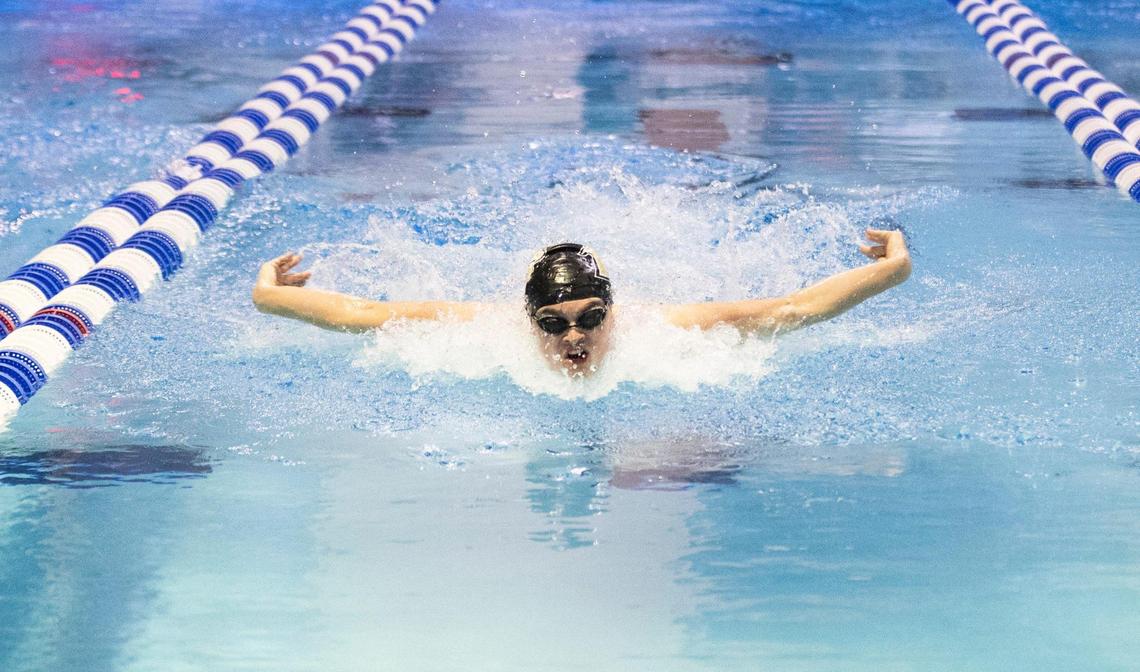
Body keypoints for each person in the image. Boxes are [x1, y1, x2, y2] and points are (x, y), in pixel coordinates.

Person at [252, 228, 911, 376]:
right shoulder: (479, 336)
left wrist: (894, 270)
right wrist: (267, 293)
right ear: (527, 319)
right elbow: (362, 315)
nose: (575, 338)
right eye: (555, 323)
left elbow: (793, 309)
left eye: (591, 318)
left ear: (612, 312)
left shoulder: (668, 333)